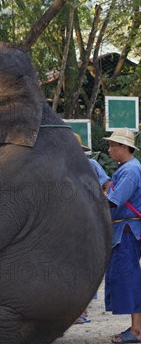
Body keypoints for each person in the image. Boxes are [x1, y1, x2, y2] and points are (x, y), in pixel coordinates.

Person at [103, 128, 141, 344]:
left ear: (125, 148)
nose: (109, 150)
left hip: (127, 230)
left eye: (113, 146)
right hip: (125, 229)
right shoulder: (126, 168)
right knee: (129, 277)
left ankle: (136, 330)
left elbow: (114, 200)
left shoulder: (130, 171)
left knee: (130, 278)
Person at [73, 133, 110, 324]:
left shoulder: (92, 165)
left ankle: (83, 310)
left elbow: (107, 185)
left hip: (89, 221)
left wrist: (97, 203)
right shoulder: (63, 166)